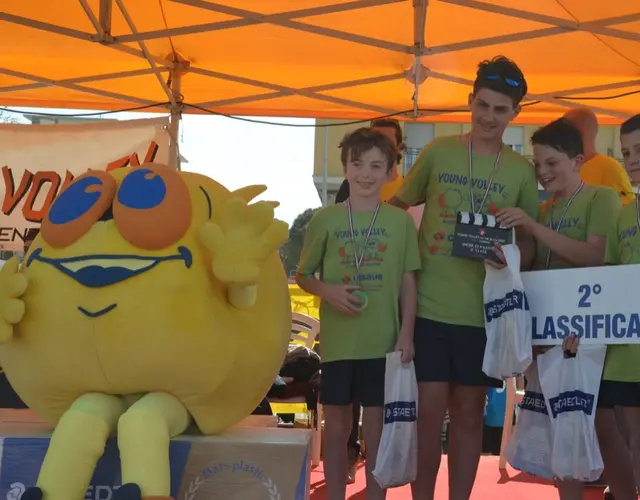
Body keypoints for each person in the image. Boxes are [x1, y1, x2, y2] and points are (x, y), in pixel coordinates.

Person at [389, 55, 540, 500]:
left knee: (471, 414)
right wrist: (402, 267)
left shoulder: (521, 172)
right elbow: (398, 210)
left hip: (484, 315)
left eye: (500, 110)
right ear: (470, 101)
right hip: (431, 308)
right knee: (429, 414)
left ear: (515, 114)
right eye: (484, 106)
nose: (489, 117)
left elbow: (529, 245)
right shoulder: (438, 152)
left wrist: (510, 256)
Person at [497, 117, 622, 499]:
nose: (543, 171)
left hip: (593, 336)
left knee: (603, 426)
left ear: (577, 160)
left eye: (551, 162)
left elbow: (596, 256)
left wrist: (534, 229)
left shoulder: (602, 197)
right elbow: (536, 270)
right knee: (561, 429)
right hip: (552, 337)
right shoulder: (544, 209)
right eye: (537, 164)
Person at [296, 127, 420, 500]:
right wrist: (328, 291)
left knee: (378, 430)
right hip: (337, 344)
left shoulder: (400, 223)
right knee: (336, 429)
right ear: (346, 168)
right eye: (358, 164)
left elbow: (408, 282)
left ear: (389, 172)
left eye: (376, 165)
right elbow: (303, 275)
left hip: (383, 343)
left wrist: (406, 334)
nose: (366, 173)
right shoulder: (326, 220)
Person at [592, 113, 640, 500]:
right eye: (626, 152)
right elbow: (606, 283)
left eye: (639, 149)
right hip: (625, 355)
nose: (633, 159)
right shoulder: (623, 217)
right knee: (631, 448)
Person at [563, 107, 634, 205]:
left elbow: (625, 210)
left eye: (564, 129)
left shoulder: (609, 167)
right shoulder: (567, 169)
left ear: (580, 130)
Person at [334, 118, 405, 203]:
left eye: (389, 143)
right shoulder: (351, 184)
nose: (381, 148)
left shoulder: (407, 187)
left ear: (399, 147)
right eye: (376, 142)